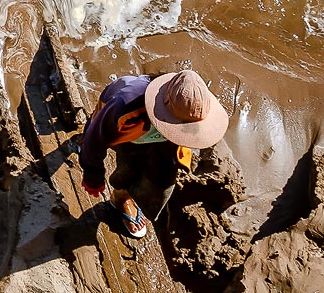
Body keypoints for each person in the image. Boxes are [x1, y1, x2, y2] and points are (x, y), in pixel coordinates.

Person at [77, 68, 229, 241]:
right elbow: (95, 140)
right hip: (127, 132)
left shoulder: (187, 108)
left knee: (162, 179)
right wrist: (93, 176)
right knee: (123, 162)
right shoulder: (124, 107)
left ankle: (124, 196)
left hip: (154, 138)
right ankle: (120, 197)